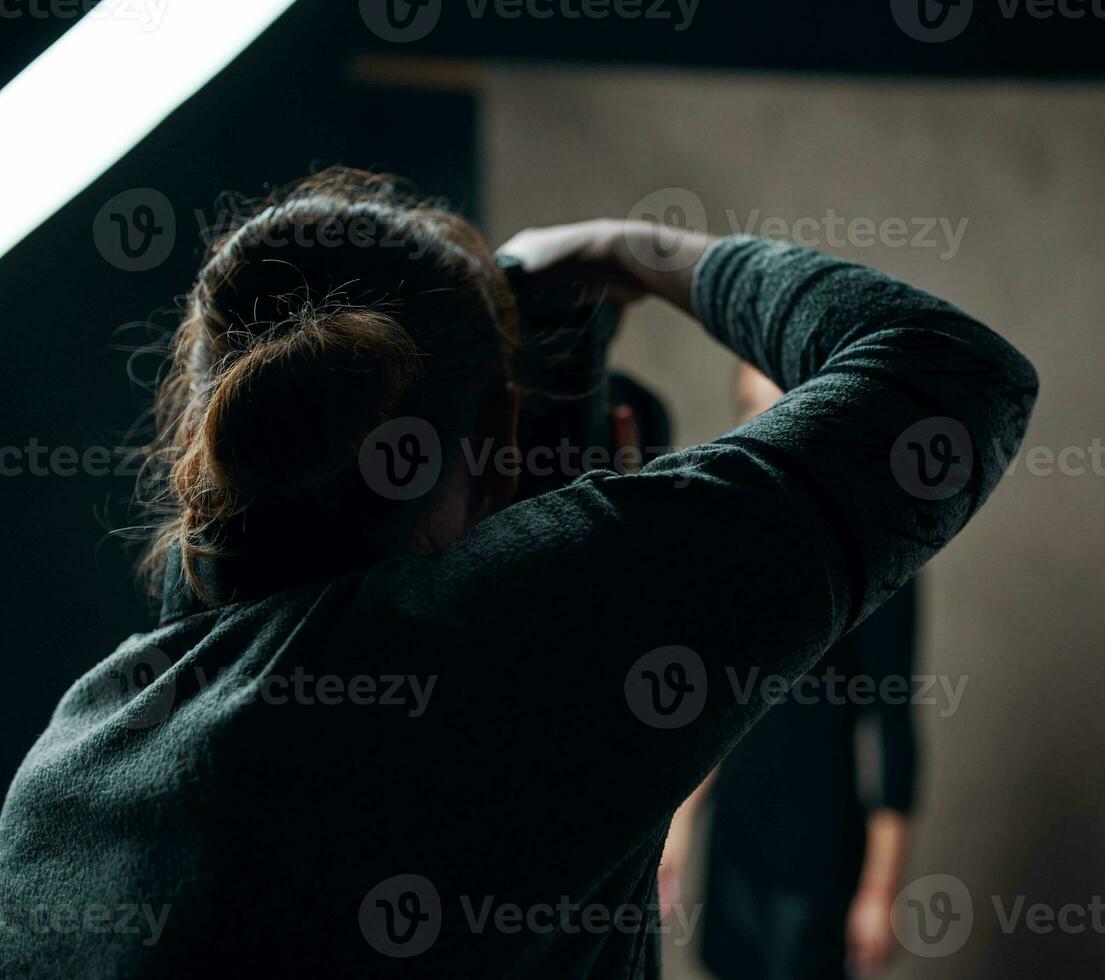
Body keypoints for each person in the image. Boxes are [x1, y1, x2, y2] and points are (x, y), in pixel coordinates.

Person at [0, 170, 1038, 978]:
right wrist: (624, 250)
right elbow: (954, 377)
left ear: (200, 430)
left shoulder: (78, 749)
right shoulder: (522, 649)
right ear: (492, 438)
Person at [660, 365, 919, 980]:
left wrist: (879, 892)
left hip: (818, 858)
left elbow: (895, 736)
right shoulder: (738, 551)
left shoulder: (879, 550)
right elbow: (720, 709)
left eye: (783, 406)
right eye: (753, 409)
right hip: (735, 848)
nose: (769, 428)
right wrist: (679, 829)